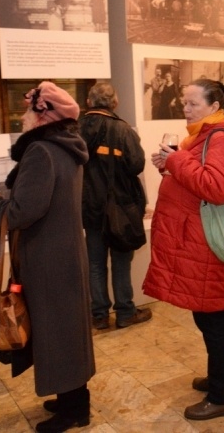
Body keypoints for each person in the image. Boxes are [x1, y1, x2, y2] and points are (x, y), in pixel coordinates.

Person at [0, 82, 95, 432]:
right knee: (67, 330)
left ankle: (73, 410)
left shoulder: (41, 152)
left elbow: (22, 212)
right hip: (63, 251)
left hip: (47, 257)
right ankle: (73, 400)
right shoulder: (66, 148)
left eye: (27, 111)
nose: (22, 116)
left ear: (42, 114)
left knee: (56, 332)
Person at [144, 79, 224, 420]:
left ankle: (223, 395)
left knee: (214, 318)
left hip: (207, 246)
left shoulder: (220, 139)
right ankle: (218, 378)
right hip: (197, 245)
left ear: (215, 107)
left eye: (192, 103)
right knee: (207, 317)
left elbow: (217, 189)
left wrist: (176, 163)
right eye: (184, 102)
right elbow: (196, 184)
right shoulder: (201, 138)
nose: (185, 109)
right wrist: (170, 167)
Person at [79, 83, 150, 331]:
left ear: (89, 102)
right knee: (121, 261)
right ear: (114, 103)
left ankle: (98, 315)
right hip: (119, 206)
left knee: (96, 263)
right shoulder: (122, 129)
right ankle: (125, 312)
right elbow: (136, 165)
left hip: (89, 207)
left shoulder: (76, 129)